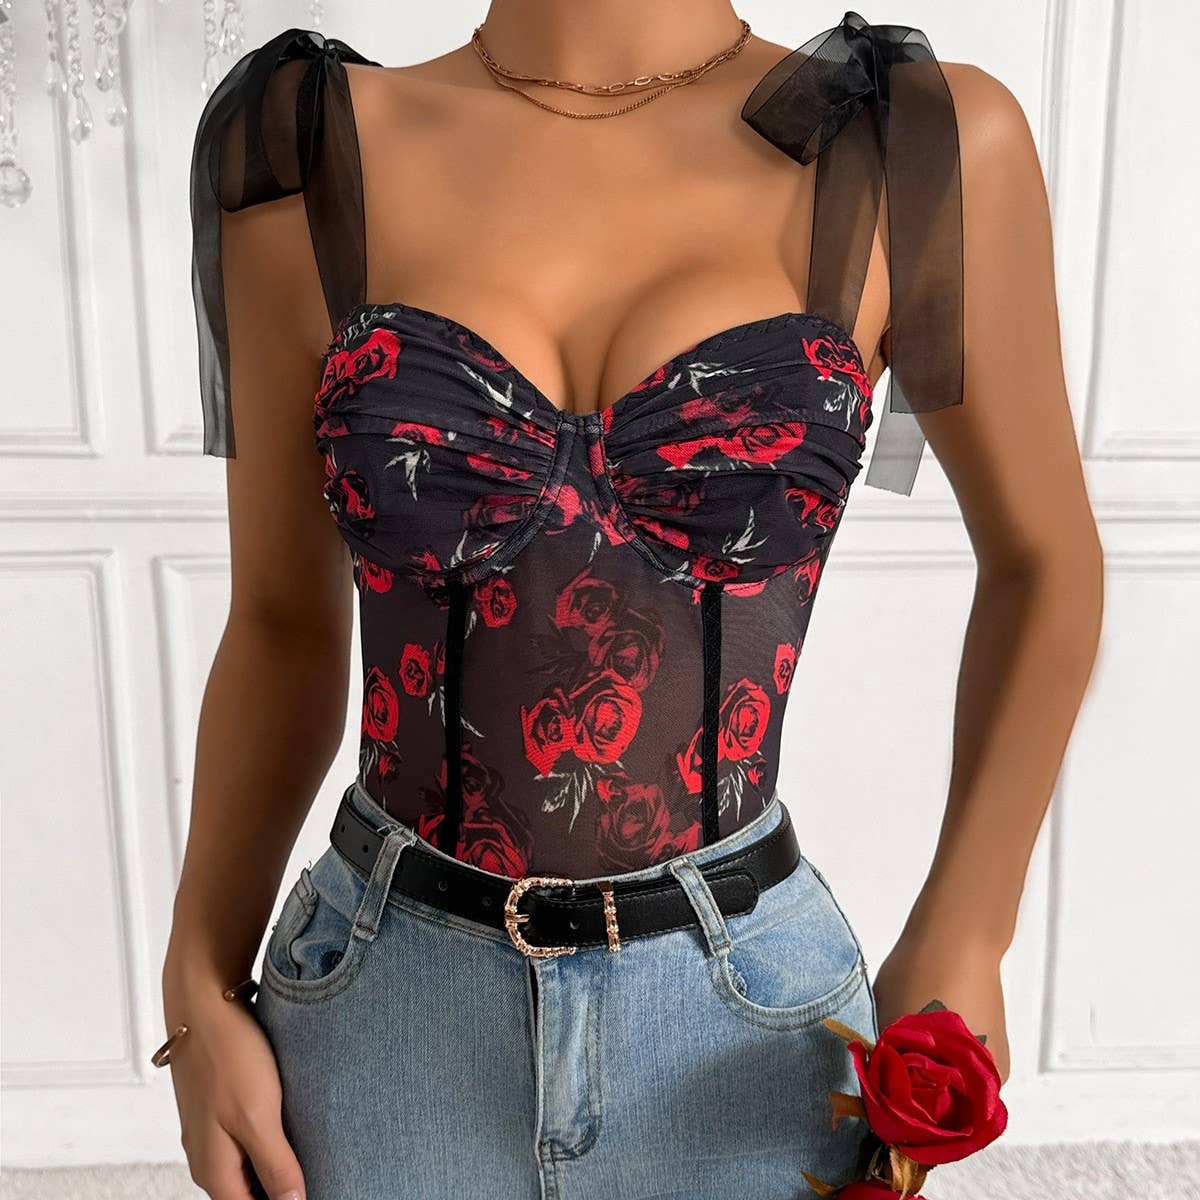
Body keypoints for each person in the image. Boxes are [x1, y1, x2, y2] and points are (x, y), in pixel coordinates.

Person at [161, 4, 1103, 1198]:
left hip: (744, 1034)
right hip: (384, 1013)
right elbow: (282, 624)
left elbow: (1045, 562)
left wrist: (969, 927)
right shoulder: (306, 152)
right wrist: (196, 979)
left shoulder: (917, 142)